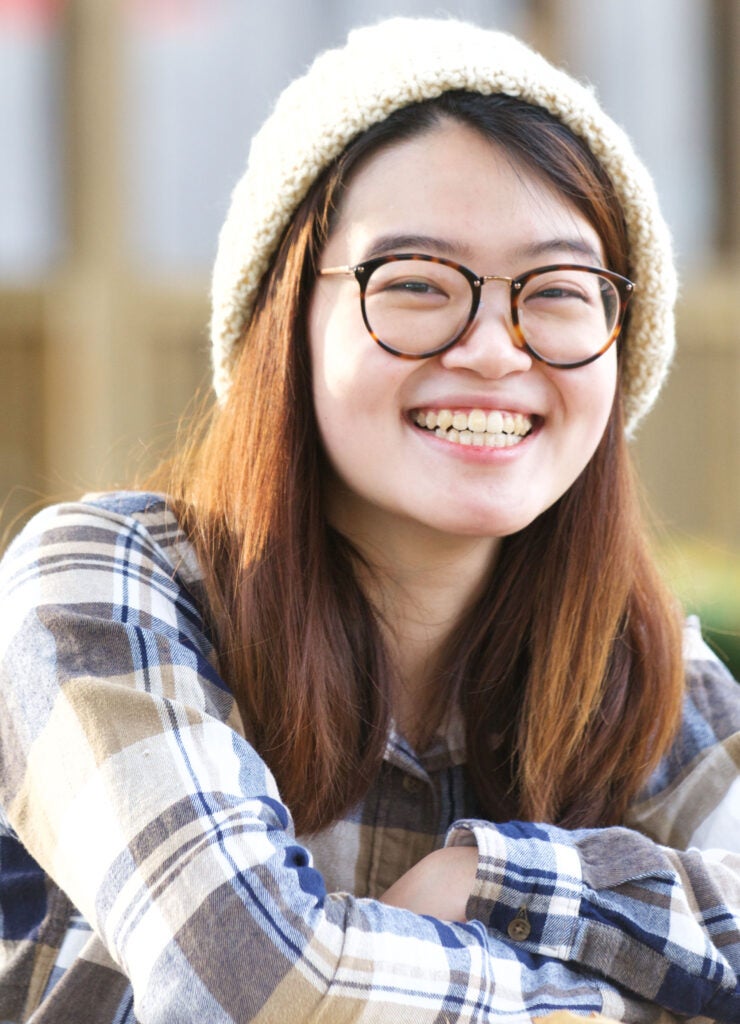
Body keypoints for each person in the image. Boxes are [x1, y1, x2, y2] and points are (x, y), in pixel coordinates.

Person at [0, 15, 738, 1023]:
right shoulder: (101, 589)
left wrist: (492, 879)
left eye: (558, 290)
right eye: (417, 285)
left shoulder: (633, 669)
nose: (491, 347)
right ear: (284, 324)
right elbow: (261, 991)